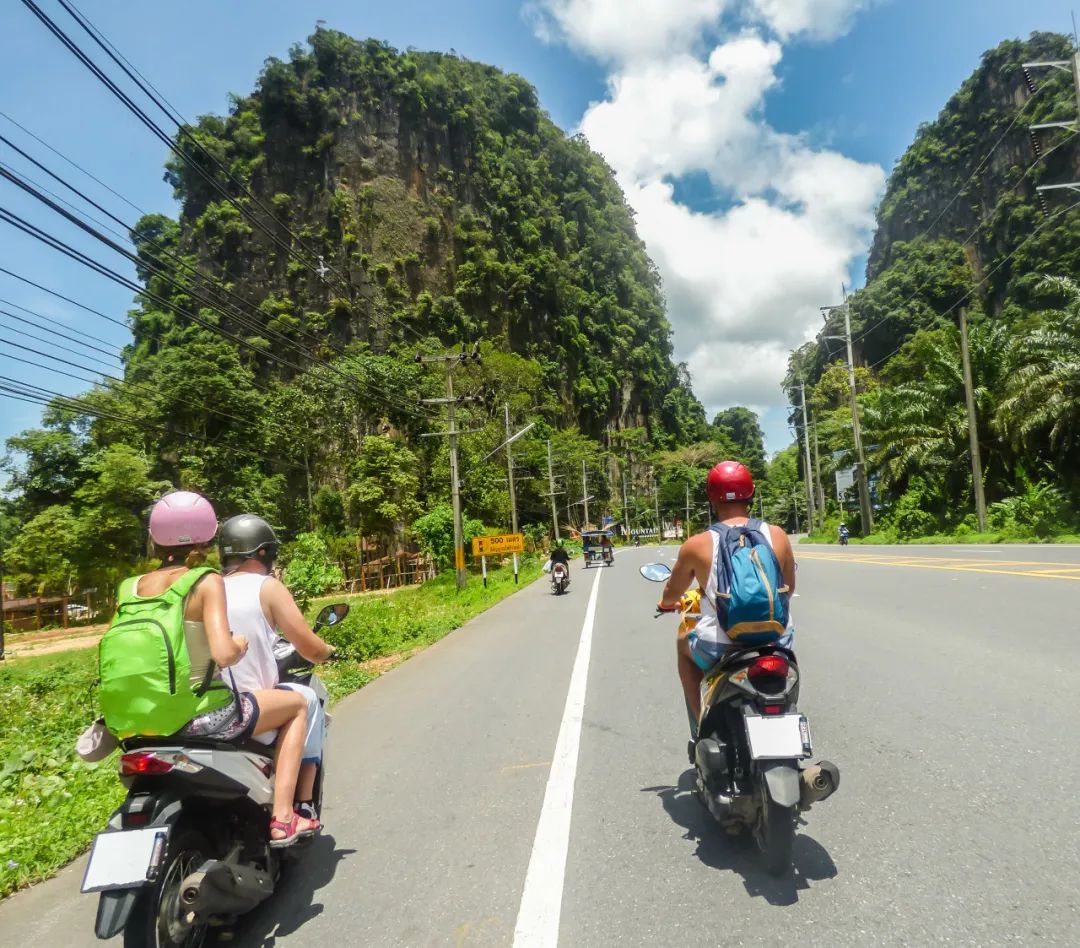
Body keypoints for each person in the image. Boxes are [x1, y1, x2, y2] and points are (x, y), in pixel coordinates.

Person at [138, 492, 317, 846]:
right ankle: (284, 816)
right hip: (206, 712)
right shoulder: (204, 582)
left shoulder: (133, 587)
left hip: (142, 715)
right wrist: (238, 645)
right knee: (299, 703)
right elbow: (223, 653)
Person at [656, 461, 797, 737]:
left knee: (682, 644)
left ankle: (701, 729)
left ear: (711, 497)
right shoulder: (777, 535)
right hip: (776, 639)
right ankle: (785, 714)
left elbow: (672, 592)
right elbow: (789, 589)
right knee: (788, 660)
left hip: (721, 644)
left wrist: (666, 604)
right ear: (751, 492)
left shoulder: (697, 544)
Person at [219, 514, 335, 823]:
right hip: (251, 706)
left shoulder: (205, 589)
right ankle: (297, 807)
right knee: (307, 701)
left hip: (206, 706)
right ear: (263, 552)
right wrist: (328, 651)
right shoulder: (267, 587)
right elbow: (309, 647)